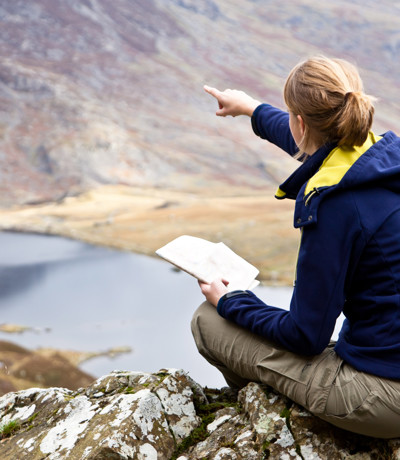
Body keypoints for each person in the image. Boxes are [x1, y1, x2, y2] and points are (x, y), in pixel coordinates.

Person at [191, 56, 400, 438]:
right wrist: (251, 109)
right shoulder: (383, 158)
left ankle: (263, 412)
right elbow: (315, 146)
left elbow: (306, 336)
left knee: (208, 323)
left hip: (386, 397)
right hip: (390, 361)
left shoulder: (337, 206)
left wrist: (230, 300)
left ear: (302, 121)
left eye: (292, 116)